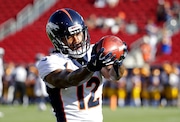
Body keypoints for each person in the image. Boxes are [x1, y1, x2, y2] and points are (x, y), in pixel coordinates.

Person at [37, 8, 127, 122]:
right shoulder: (49, 62)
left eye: (78, 33)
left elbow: (113, 76)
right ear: (57, 39)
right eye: (69, 36)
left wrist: (118, 64)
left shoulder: (94, 51)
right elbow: (69, 79)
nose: (76, 40)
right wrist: (91, 67)